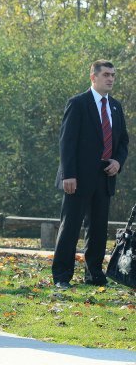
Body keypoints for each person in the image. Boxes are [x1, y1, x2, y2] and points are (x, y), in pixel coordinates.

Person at [52, 60, 129, 289]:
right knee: (70, 228)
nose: (111, 79)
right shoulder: (78, 103)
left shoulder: (115, 106)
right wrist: (68, 174)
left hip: (104, 176)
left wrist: (118, 161)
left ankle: (94, 274)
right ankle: (62, 276)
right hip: (77, 178)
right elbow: (67, 142)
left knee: (98, 229)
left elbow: (123, 141)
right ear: (93, 77)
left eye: (113, 75)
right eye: (106, 74)